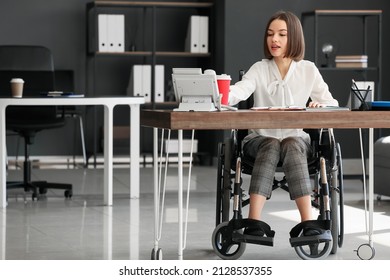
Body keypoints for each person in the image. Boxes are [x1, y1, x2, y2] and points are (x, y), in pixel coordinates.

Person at [228, 11, 339, 236]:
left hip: (296, 142)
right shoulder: (259, 69)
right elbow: (238, 92)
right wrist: (218, 92)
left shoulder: (308, 70)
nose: (274, 40)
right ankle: (253, 222)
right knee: (270, 143)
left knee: (290, 142)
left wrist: (320, 105)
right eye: (270, 34)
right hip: (259, 141)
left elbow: (332, 103)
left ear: (295, 38)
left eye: (281, 34)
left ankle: (308, 223)